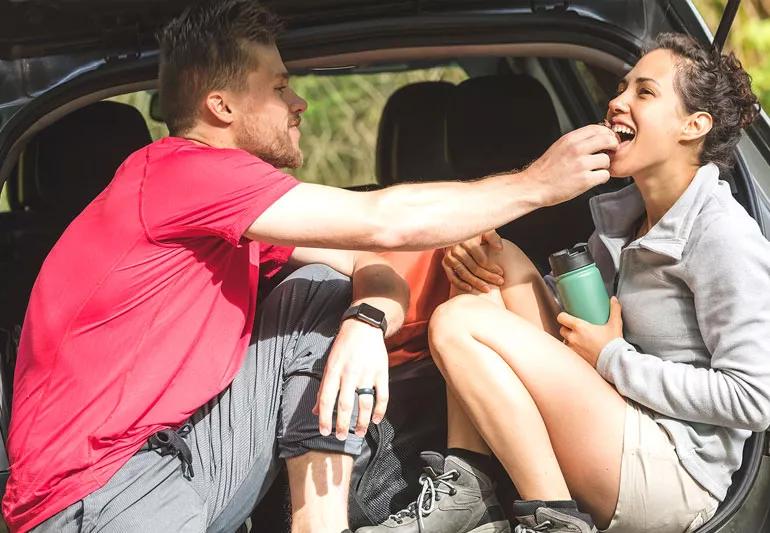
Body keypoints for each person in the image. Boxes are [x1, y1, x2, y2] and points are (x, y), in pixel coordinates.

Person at [1, 1, 620, 532]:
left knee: (321, 289)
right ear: (221, 106)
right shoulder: (175, 173)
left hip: (191, 460)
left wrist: (367, 323)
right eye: (278, 87)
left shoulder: (235, 218)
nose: (299, 104)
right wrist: (538, 185)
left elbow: (362, 259)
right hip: (99, 493)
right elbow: (384, 222)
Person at [359, 32, 770, 533]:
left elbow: (754, 399)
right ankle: (467, 487)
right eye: (621, 87)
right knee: (493, 261)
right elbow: (565, 326)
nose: (616, 101)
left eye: (644, 92)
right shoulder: (626, 215)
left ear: (694, 125)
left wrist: (613, 359)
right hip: (617, 419)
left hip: (673, 473)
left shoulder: (722, 233)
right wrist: (480, 251)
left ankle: (551, 517)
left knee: (458, 322)